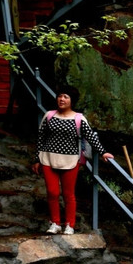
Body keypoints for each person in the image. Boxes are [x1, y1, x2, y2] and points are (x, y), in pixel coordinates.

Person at [31, 87, 114, 234]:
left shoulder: (78, 119)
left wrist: (103, 152)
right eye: (60, 96)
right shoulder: (49, 115)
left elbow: (91, 137)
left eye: (66, 97)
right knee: (52, 192)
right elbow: (41, 138)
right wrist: (37, 159)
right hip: (48, 159)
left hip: (70, 161)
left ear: (72, 101)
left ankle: (70, 224)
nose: (62, 99)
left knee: (68, 194)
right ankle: (55, 223)